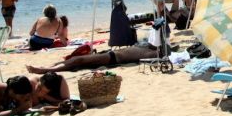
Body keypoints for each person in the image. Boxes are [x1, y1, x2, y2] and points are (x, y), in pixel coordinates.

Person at [27, 43, 160, 74]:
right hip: (111, 54)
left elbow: (153, 58)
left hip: (113, 58)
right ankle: (50, 67)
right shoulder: (148, 48)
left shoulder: (151, 54)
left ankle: (44, 70)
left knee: (78, 60)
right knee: (77, 61)